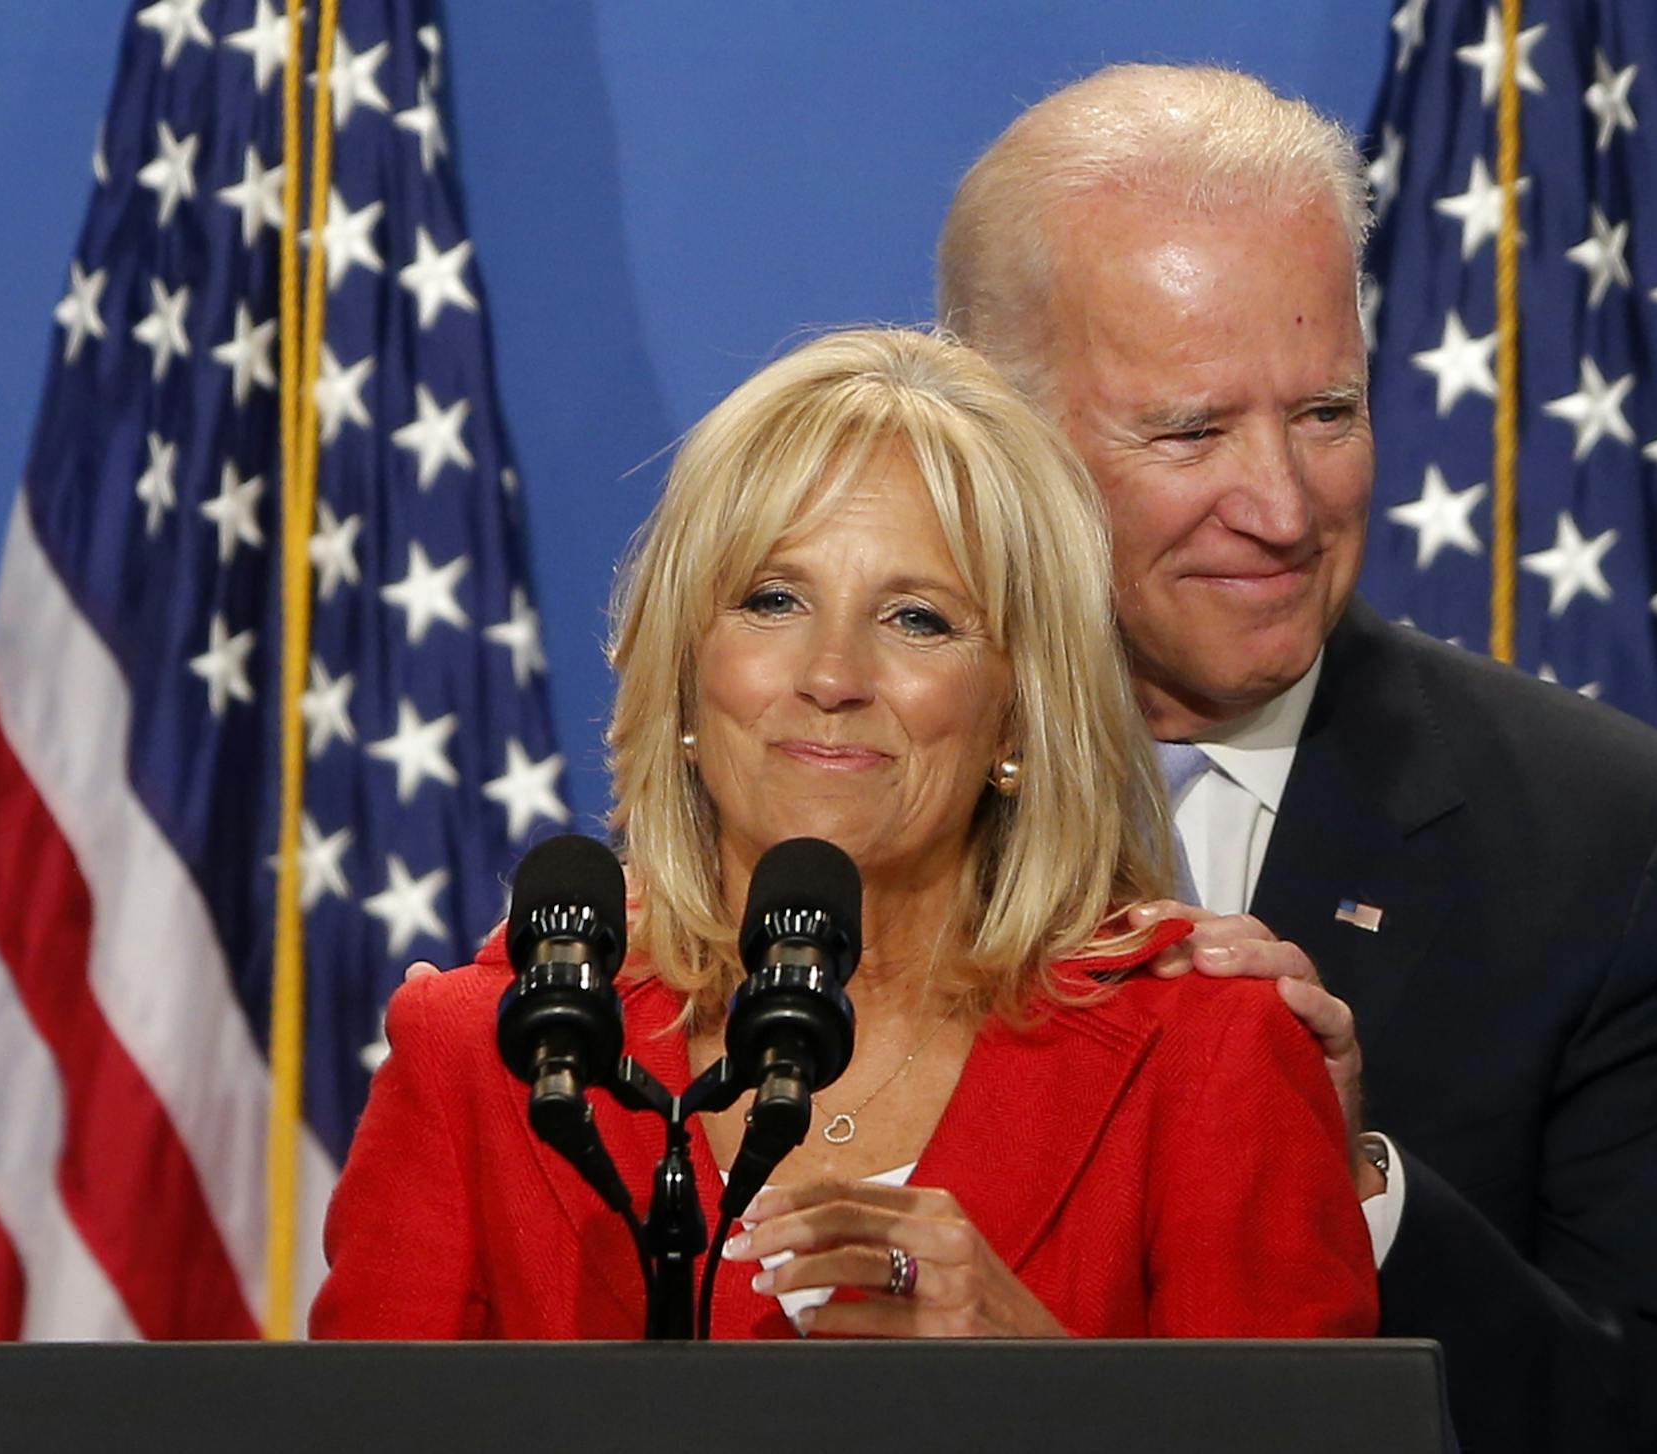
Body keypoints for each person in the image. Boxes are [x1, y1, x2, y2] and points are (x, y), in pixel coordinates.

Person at [936, 65, 1657, 1450]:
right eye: (1191, 429)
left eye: (1327, 412)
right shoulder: (848, 791)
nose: (1285, 507)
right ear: (992, 426)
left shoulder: (1606, 847)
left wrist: (1360, 1190)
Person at [309, 327, 1377, 1341]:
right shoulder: (488, 1055)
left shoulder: (1211, 1056)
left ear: (1018, 711)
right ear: (685, 673)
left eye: (918, 618)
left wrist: (1042, 1388)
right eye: (773, 599)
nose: (831, 677)